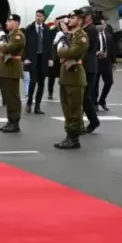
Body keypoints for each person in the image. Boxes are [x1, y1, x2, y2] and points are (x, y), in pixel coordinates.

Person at [53, 8, 89, 149]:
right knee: (67, 108)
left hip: (75, 77)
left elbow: (72, 51)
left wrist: (61, 50)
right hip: (66, 76)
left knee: (74, 109)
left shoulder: (81, 36)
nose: (69, 20)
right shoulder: (71, 36)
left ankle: (73, 138)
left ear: (79, 20)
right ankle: (69, 135)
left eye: (72, 18)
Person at [0, 15, 25, 133]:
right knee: (7, 97)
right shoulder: (10, 35)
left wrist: (2, 45)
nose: (6, 23)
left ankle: (14, 122)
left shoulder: (18, 36)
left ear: (16, 23)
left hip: (12, 69)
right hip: (5, 69)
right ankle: (10, 121)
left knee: (13, 97)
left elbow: (7, 48)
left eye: (9, 21)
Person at [23, 9, 52, 114]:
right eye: (37, 16)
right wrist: (25, 58)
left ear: (43, 17)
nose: (38, 18)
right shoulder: (29, 29)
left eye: (40, 16)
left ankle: (38, 106)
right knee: (32, 81)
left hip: (43, 59)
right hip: (32, 59)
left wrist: (51, 58)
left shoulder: (47, 29)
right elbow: (24, 45)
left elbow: (50, 46)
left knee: (41, 83)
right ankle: (29, 102)